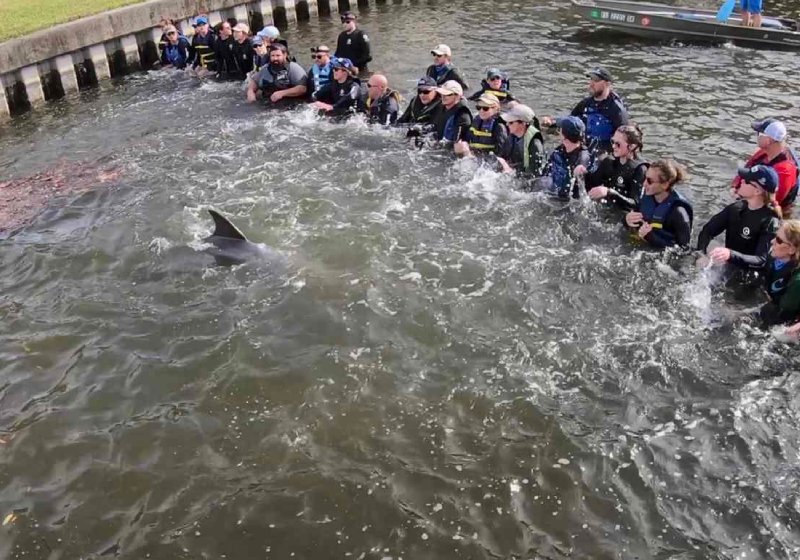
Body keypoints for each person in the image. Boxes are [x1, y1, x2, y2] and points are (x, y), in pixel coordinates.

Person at [697, 165, 780, 269]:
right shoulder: (736, 208)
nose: (741, 181)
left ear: (757, 191)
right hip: (729, 265)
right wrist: (701, 254)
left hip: (749, 275)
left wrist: (730, 255)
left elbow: (760, 260)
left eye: (746, 181)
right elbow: (707, 231)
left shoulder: (769, 221)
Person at [542, 67, 629, 154]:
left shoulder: (617, 110)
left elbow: (624, 140)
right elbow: (570, 122)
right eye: (591, 79)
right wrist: (552, 122)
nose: (591, 84)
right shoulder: (586, 104)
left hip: (604, 154)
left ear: (607, 84)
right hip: (584, 149)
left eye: (596, 80)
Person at [732, 119, 799, 217]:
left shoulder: (785, 170)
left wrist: (743, 198)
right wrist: (735, 187)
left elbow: (772, 201)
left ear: (768, 141)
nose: (756, 137)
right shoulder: (764, 152)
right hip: (752, 195)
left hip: (772, 213)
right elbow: (746, 168)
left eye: (759, 134)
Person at [576, 124, 647, 212]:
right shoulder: (609, 161)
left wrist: (609, 193)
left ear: (632, 146)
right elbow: (592, 184)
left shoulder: (640, 169)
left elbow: (635, 204)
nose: (613, 146)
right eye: (612, 142)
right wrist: (582, 174)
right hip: (607, 212)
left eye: (618, 144)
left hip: (626, 216)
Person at [624, 159, 693, 248]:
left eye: (649, 181)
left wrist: (650, 237)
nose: (644, 184)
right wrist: (626, 220)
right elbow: (632, 221)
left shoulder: (679, 212)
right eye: (645, 178)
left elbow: (684, 250)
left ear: (665, 184)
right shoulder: (646, 199)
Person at [537, 116, 592, 199]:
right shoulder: (559, 151)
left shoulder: (583, 158)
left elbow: (581, 193)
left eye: (560, 129)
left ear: (564, 136)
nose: (558, 131)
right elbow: (544, 174)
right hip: (553, 194)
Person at [759, 220, 800, 326]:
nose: (772, 241)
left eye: (778, 240)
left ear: (791, 249)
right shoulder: (774, 257)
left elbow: (785, 313)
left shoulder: (797, 281)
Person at [496, 103, 546, 177]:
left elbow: (533, 175)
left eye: (511, 122)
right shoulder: (511, 137)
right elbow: (502, 157)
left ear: (523, 123)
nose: (507, 124)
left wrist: (512, 172)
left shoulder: (535, 144)